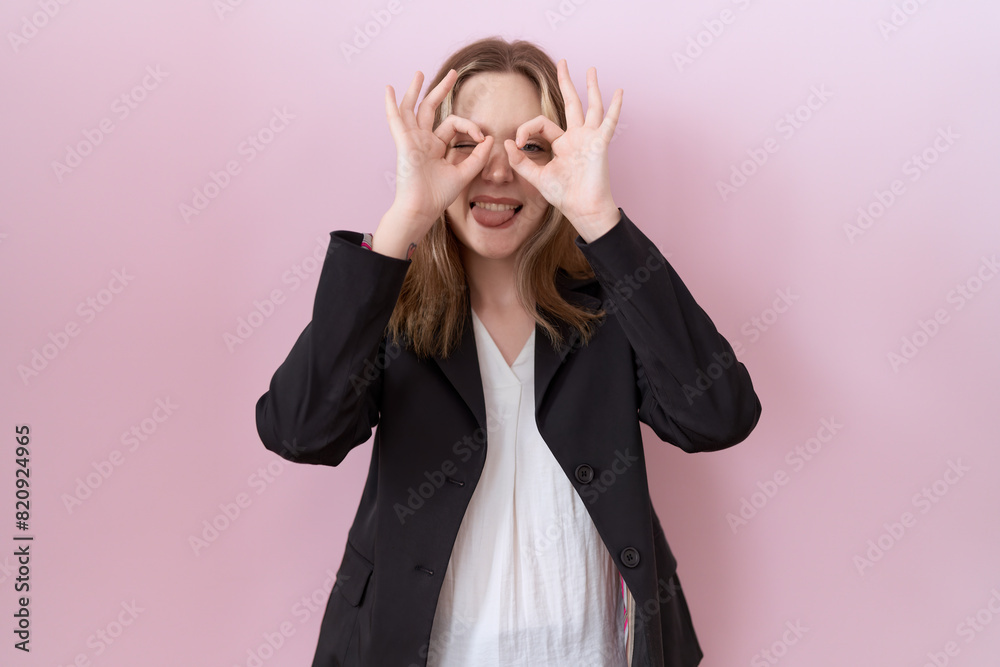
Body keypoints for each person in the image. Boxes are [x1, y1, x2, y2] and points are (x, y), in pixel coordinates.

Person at [255, 36, 761, 667]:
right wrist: (401, 225)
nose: (496, 170)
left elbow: (719, 415)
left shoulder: (610, 306)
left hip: (594, 650)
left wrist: (599, 216)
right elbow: (300, 432)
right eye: (467, 144)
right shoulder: (388, 309)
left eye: (530, 145)